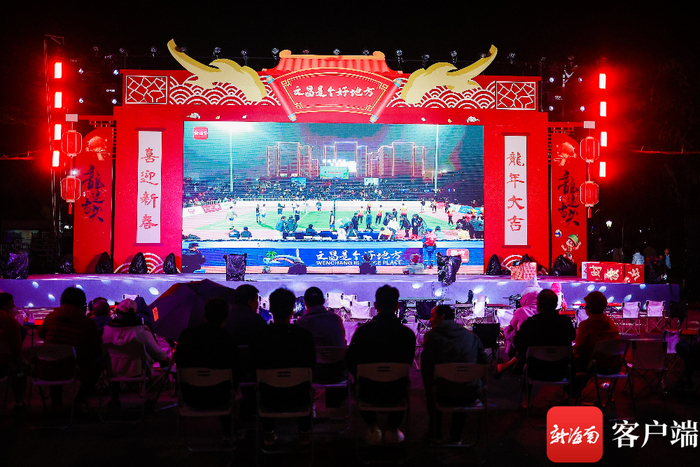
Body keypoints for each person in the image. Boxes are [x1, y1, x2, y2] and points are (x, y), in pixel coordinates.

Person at [345, 285, 416, 445]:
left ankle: (372, 427)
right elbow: (407, 363)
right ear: (397, 306)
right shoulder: (407, 335)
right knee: (403, 382)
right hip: (396, 392)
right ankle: (392, 428)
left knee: (357, 382)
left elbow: (351, 362)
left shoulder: (362, 332)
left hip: (367, 392)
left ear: (376, 305)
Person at [252, 288, 316, 447]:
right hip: (299, 397)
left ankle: (268, 431)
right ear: (292, 309)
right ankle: (304, 431)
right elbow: (312, 366)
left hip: (269, 398)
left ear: (271, 309)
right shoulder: (304, 336)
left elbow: (254, 366)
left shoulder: (259, 336)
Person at [421, 305, 487, 444]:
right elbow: (483, 363)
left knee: (433, 386)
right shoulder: (471, 337)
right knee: (463, 382)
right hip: (470, 394)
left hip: (442, 394)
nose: (430, 320)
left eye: (432, 316)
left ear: (442, 317)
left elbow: (426, 368)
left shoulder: (432, 337)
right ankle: (456, 436)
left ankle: (435, 433)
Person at [38, 287, 103, 407]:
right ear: (83, 304)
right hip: (72, 368)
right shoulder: (87, 322)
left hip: (45, 368)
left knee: (55, 358)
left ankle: (56, 402)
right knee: (99, 362)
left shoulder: (51, 317)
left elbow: (41, 334)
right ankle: (80, 399)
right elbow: (96, 350)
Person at [102, 299, 172, 407]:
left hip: (113, 370)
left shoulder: (106, 331)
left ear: (118, 312)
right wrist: (169, 361)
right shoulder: (141, 331)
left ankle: (115, 398)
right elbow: (158, 353)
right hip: (137, 370)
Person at [496, 289, 575, 378]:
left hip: (535, 370)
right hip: (561, 370)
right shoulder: (566, 323)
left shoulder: (530, 324)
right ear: (556, 305)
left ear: (538, 305)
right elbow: (572, 337)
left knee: (525, 349)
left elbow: (518, 344)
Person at [176, 298, 238, 409]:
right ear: (227, 316)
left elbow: (179, 362)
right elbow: (235, 367)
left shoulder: (186, 336)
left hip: (190, 395)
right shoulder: (227, 338)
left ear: (204, 315)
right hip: (221, 396)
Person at [296, 287, 346, 406]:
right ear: (323, 301)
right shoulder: (336, 319)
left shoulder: (301, 323)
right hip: (337, 374)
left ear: (305, 303)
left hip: (312, 374)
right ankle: (335, 408)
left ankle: (308, 406)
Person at [573, 291, 619, 373]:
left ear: (589, 307)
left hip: (595, 366)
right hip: (614, 366)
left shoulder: (586, 325)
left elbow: (579, 349)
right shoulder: (611, 323)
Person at [0, 293, 27, 411]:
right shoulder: (10, 321)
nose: (15, 305)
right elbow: (16, 349)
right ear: (6, 305)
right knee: (19, 369)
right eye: (12, 303)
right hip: (5, 364)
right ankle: (19, 401)